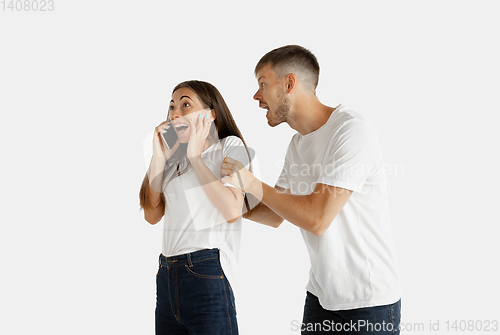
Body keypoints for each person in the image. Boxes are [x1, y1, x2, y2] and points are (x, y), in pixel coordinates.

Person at [220, 45, 401, 334]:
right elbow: (273, 213)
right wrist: (227, 200)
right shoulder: (298, 144)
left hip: (369, 302)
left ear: (289, 84)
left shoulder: (352, 132)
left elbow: (317, 219)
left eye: (263, 85)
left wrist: (252, 183)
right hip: (320, 296)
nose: (256, 96)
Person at [139, 80, 254, 335]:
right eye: (172, 107)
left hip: (206, 271)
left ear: (211, 114)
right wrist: (158, 157)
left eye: (185, 104)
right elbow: (151, 215)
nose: (175, 113)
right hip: (167, 273)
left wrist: (195, 157)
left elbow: (232, 210)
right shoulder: (172, 159)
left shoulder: (229, 146)